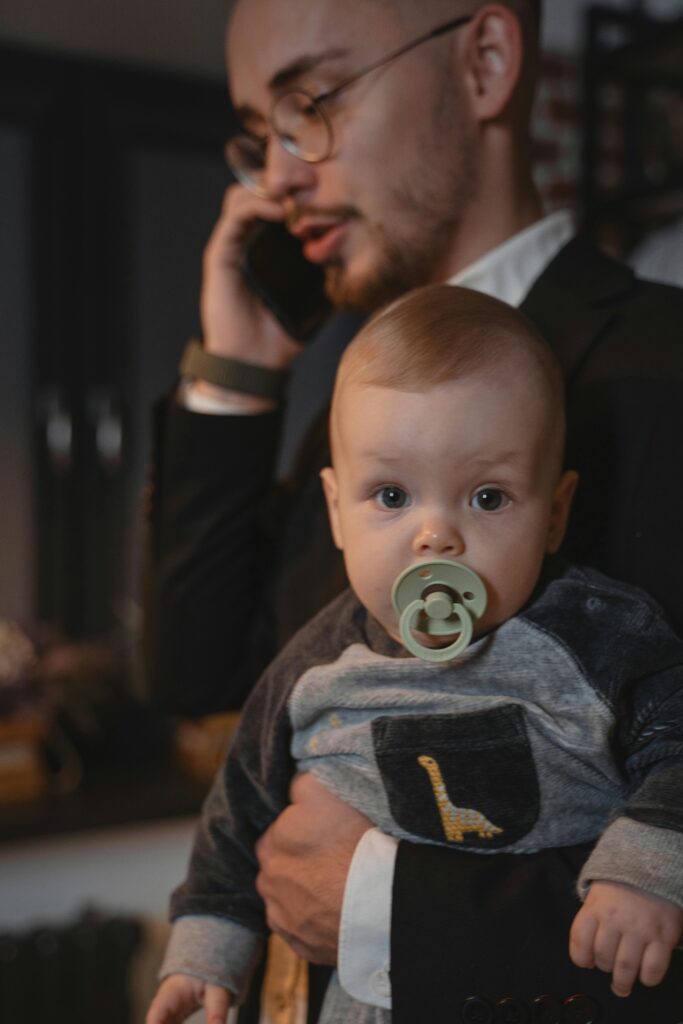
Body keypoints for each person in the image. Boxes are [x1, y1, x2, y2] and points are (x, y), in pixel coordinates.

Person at [143, 0, 683, 1019]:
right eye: (259, 135)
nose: (275, 178)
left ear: (482, 61)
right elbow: (197, 675)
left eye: (311, 101)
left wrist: (384, 901)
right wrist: (235, 377)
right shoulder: (339, 428)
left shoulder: (668, 370)